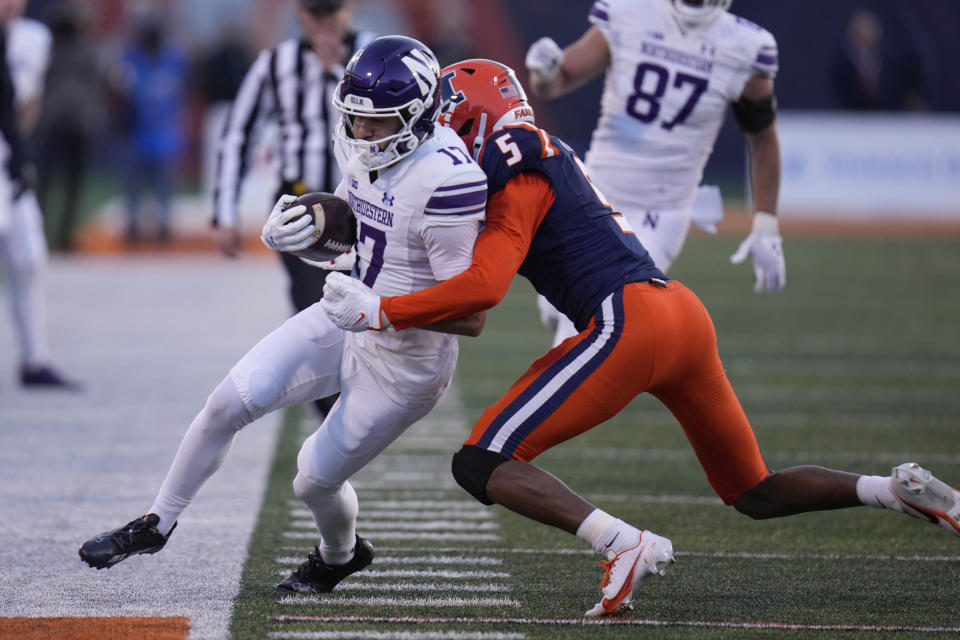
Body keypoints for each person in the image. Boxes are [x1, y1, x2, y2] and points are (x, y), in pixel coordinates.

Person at [320, 58, 960, 617]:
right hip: (679, 312)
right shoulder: (538, 152)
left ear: (470, 120)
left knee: (481, 461)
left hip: (627, 322)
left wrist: (381, 309)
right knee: (752, 491)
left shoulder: (512, 158)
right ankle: (889, 490)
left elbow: (484, 288)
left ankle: (622, 543)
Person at [79, 36, 490, 595]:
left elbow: (469, 313)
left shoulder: (449, 180)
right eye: (355, 119)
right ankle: (158, 521)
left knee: (312, 480)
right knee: (228, 401)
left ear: (418, 117)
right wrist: (305, 243)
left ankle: (340, 555)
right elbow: (358, 243)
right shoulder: (368, 148)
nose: (361, 134)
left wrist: (379, 311)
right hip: (343, 319)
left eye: (377, 124)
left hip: (405, 366)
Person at [524, 0, 785, 346]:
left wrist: (766, 223)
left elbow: (763, 140)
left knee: (587, 331)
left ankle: (554, 396)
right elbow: (559, 80)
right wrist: (544, 73)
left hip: (659, 213)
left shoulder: (745, 47)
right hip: (592, 192)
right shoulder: (630, 12)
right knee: (559, 308)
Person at [212, 0, 375, 417]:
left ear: (348, 11)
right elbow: (238, 133)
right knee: (315, 307)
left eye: (331, 12)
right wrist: (225, 212)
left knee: (374, 308)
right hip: (304, 206)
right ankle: (335, 420)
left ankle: (359, 408)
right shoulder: (276, 63)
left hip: (369, 202)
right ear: (299, 16)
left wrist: (339, 71)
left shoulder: (375, 56)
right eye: (314, 13)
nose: (323, 23)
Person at [0, 1, 78, 388]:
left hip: (10, 159)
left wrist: (21, 149)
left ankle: (35, 358)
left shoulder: (33, 38)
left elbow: (28, 101)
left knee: (30, 256)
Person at [35, 2, 107, 251]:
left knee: (70, 183)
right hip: (59, 122)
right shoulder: (50, 49)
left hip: (75, 123)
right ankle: (41, 232)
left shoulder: (86, 51)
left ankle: (64, 234)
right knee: (48, 182)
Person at [119, 11, 187, 244]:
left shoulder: (174, 60)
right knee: (133, 184)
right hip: (138, 131)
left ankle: (164, 224)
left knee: (164, 184)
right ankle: (132, 224)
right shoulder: (132, 58)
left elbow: (182, 90)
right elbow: (122, 91)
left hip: (164, 133)